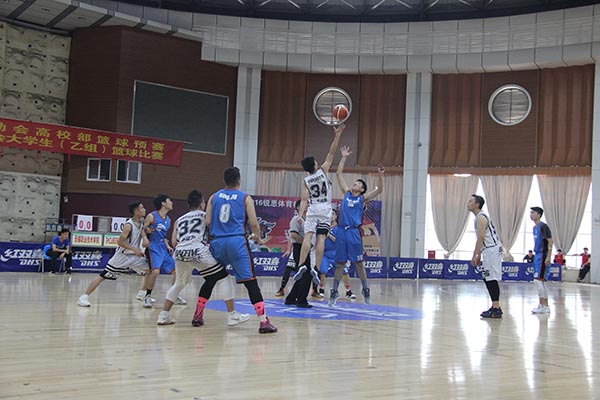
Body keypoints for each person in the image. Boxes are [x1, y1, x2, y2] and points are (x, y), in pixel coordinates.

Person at [157, 190, 250, 327]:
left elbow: (174, 243)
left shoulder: (179, 220)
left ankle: (164, 315)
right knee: (224, 278)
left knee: (179, 283)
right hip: (198, 250)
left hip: (180, 252)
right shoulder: (206, 215)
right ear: (201, 203)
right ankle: (232, 315)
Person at [205, 167, 277, 334]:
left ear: (224, 180)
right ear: (239, 180)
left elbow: (207, 221)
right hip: (236, 242)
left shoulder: (213, 197)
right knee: (251, 282)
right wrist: (257, 237)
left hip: (217, 242)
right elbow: (254, 223)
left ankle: (198, 315)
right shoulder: (245, 197)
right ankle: (263, 321)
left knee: (211, 280)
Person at [328, 146, 384, 306]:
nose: (356, 183)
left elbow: (379, 190)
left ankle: (366, 290)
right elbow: (338, 174)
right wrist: (344, 157)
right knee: (340, 264)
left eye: (359, 183)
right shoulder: (346, 193)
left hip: (353, 233)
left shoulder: (362, 199)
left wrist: (380, 175)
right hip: (341, 232)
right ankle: (334, 292)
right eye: (356, 182)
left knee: (359, 263)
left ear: (362, 190)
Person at [294, 123, 345, 288]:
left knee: (308, 236)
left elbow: (303, 200)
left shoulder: (306, 180)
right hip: (325, 208)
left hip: (313, 208)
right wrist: (337, 135)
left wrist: (300, 215)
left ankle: (301, 265)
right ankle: (316, 267)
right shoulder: (323, 171)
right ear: (315, 165)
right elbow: (331, 152)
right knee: (321, 237)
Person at [77, 201, 149, 307]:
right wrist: (135, 250)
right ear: (136, 211)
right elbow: (120, 242)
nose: (145, 209)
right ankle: (83, 297)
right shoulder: (128, 225)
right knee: (103, 276)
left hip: (134, 256)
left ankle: (143, 294)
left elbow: (142, 230)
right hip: (122, 256)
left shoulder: (141, 221)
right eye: (142, 208)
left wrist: (145, 237)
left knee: (150, 271)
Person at [136, 194, 186, 308]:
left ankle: (174, 296)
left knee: (177, 272)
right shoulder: (152, 216)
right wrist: (145, 237)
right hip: (153, 246)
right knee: (155, 272)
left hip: (163, 247)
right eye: (169, 200)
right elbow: (142, 229)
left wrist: (167, 245)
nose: (171, 203)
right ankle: (147, 296)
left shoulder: (168, 220)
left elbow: (163, 237)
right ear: (163, 203)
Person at [467, 194, 503, 318]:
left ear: (477, 204)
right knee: (487, 277)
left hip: (492, 249)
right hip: (488, 249)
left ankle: (496, 308)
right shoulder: (480, 217)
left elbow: (481, 237)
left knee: (491, 278)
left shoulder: (481, 217)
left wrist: (476, 254)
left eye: (470, 201)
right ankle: (495, 306)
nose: (467, 203)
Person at [318, 209, 356, 300]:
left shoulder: (339, 229)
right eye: (329, 214)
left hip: (337, 253)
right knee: (322, 271)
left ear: (336, 216)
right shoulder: (323, 227)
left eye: (333, 214)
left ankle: (348, 291)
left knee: (344, 272)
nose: (331, 216)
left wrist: (329, 235)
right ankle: (321, 289)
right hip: (325, 253)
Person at [275, 200, 303, 298]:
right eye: (304, 204)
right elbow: (292, 236)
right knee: (289, 268)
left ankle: (314, 290)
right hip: (298, 247)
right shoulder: (296, 219)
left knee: (309, 271)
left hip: (309, 249)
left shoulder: (310, 219)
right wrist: (288, 250)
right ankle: (282, 288)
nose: (307, 206)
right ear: (298, 207)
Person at [530, 206, 553, 314]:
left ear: (539, 215)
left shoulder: (543, 226)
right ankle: (544, 305)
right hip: (537, 255)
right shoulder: (534, 228)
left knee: (538, 280)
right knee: (541, 281)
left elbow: (550, 241)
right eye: (531, 213)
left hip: (543, 255)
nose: (531, 215)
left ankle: (543, 305)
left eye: (533, 213)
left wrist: (548, 256)